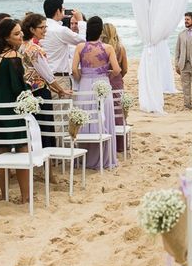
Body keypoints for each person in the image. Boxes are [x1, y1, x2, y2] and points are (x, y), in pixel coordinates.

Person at [0, 18, 30, 202]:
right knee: (22, 150)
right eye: (17, 34)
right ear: (6, 38)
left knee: (2, 151)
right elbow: (18, 89)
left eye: (21, 32)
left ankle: (3, 194)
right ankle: (25, 196)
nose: (21, 36)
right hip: (11, 111)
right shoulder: (13, 57)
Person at [72, 16, 120, 170]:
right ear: (100, 31)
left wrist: (82, 79)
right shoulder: (108, 48)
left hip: (85, 85)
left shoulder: (80, 47)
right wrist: (107, 76)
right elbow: (117, 69)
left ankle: (84, 158)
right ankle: (103, 158)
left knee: (85, 119)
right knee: (103, 118)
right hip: (102, 85)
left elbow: (73, 70)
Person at [19, 13, 67, 150]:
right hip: (40, 92)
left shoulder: (20, 46)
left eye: (45, 27)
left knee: (32, 127)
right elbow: (47, 75)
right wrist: (60, 90)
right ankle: (47, 158)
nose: (45, 30)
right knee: (44, 126)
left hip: (27, 91)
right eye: (42, 27)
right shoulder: (34, 49)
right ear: (32, 30)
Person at [40, 0, 85, 92]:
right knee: (62, 106)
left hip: (45, 76)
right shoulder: (61, 30)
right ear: (57, 11)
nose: (64, 10)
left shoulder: (41, 28)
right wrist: (80, 20)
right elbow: (83, 41)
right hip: (60, 77)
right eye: (62, 8)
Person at [100, 23, 128, 151]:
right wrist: (117, 76)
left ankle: (107, 143)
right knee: (118, 113)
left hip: (103, 81)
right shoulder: (120, 48)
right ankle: (120, 145)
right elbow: (125, 69)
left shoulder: (101, 48)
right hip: (116, 82)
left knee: (104, 111)